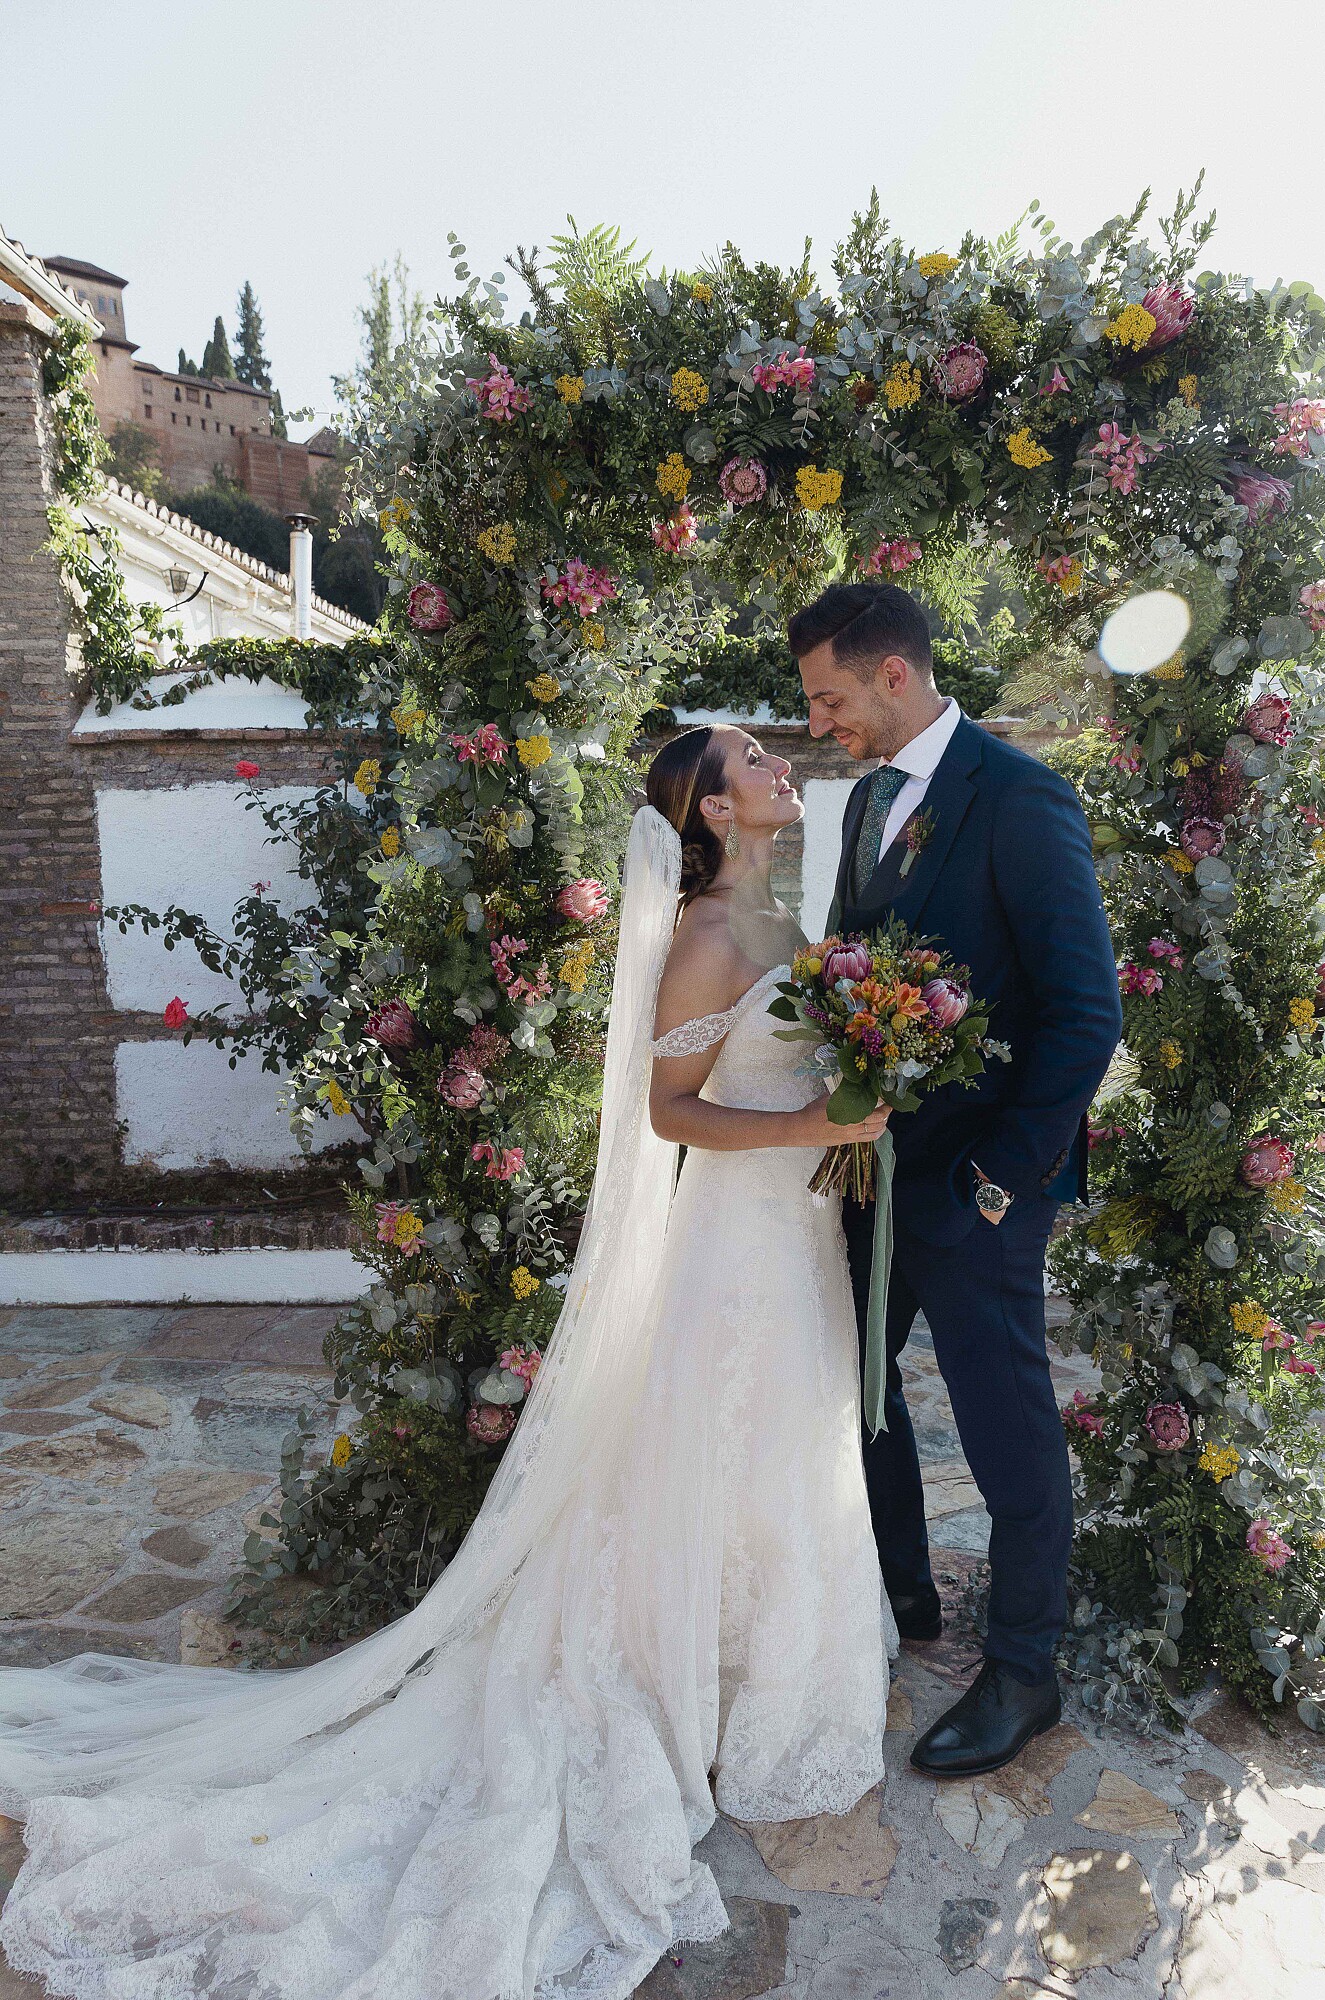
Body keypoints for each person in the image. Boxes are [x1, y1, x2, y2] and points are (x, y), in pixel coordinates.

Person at [0, 725, 894, 2000]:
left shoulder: (791, 925)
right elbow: (669, 1111)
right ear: (707, 807)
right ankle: (684, 1667)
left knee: (780, 1445)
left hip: (798, 1233)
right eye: (751, 758)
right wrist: (817, 1118)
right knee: (727, 1434)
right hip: (734, 1244)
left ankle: (757, 1666)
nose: (777, 766)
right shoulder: (703, 938)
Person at [791, 580, 1123, 1779]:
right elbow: (847, 972)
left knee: (1004, 1425)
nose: (820, 723)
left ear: (893, 674)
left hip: (977, 1188)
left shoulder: (1024, 799)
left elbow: (1087, 1016)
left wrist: (999, 1175)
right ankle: (901, 1590)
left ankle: (1024, 1668)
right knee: (859, 1386)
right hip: (870, 1172)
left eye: (830, 698)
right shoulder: (865, 800)